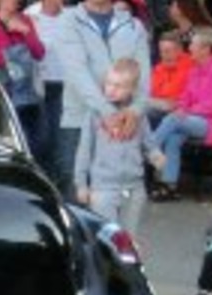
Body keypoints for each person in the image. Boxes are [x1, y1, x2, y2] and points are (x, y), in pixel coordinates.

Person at [54, 0, 150, 201]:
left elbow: (144, 75)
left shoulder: (134, 25)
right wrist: (108, 111)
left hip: (125, 122)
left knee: (120, 201)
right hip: (79, 120)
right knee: (76, 195)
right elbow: (77, 72)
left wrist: (135, 110)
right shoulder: (67, 21)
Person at [74, 57, 164, 232]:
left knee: (129, 239)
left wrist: (156, 155)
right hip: (103, 188)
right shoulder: (95, 114)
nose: (111, 90)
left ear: (131, 89)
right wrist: (81, 184)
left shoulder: (138, 115)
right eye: (109, 84)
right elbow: (84, 150)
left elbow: (148, 144)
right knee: (108, 238)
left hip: (134, 186)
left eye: (118, 86)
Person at [147, 26, 212, 199]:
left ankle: (148, 148)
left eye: (192, 45)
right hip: (194, 119)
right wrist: (183, 108)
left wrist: (186, 111)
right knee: (173, 137)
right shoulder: (195, 69)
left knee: (173, 119)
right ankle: (170, 185)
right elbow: (184, 98)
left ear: (205, 49)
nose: (189, 48)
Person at [0, 0, 47, 150]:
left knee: (36, 141)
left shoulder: (25, 19)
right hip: (3, 89)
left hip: (28, 92)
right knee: (8, 140)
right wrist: (19, 52)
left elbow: (39, 53)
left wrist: (25, 32)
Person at [25, 0, 75, 180]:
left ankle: (56, 179)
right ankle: (40, 175)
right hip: (38, 82)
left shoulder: (72, 16)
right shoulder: (29, 15)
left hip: (64, 82)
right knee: (41, 135)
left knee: (58, 134)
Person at [146, 29, 193, 123]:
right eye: (161, 51)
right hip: (159, 105)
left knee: (144, 113)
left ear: (180, 50)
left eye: (168, 51)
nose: (164, 55)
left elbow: (184, 96)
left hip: (181, 109)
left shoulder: (191, 66)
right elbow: (151, 91)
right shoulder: (159, 68)